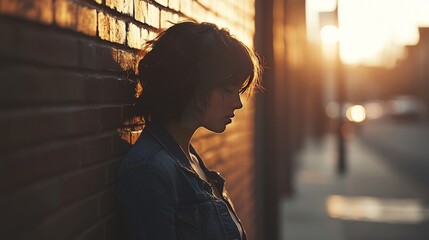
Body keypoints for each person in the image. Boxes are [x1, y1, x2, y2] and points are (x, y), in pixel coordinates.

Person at [117, 21, 262, 240]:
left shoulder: (189, 157)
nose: (237, 103)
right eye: (228, 90)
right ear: (195, 85)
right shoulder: (150, 170)